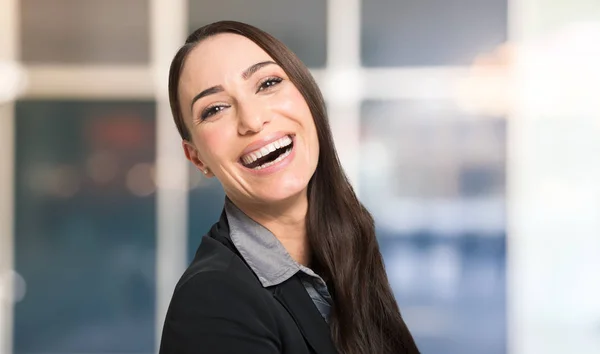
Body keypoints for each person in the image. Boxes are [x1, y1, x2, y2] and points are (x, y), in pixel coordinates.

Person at [159, 20, 420, 354]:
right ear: (197, 158)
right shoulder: (212, 302)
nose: (252, 121)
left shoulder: (349, 244)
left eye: (267, 83)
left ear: (308, 97)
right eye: (215, 109)